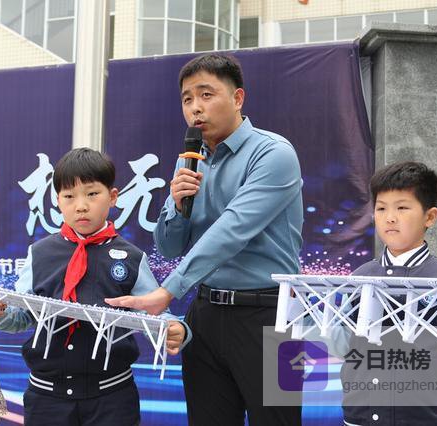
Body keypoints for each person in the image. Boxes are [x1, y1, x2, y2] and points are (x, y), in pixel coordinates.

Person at [106, 53, 304, 425]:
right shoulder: (189, 160)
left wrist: (168, 290)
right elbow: (168, 246)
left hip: (273, 317)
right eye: (187, 99)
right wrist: (178, 205)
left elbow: (233, 229)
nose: (195, 107)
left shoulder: (274, 153)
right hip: (206, 315)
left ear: (238, 98)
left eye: (206, 94)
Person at [0, 148, 190, 426]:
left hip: (112, 398)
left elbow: (154, 311)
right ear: (57, 200)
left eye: (92, 194)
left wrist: (175, 329)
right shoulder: (39, 253)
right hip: (46, 399)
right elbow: (22, 316)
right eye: (69, 196)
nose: (81, 206)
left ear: (112, 197)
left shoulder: (131, 258)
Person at [322, 161, 437, 426]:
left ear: (430, 217)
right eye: (381, 208)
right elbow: (341, 346)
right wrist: (320, 312)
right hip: (359, 418)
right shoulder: (360, 277)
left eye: (402, 208)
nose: (390, 217)